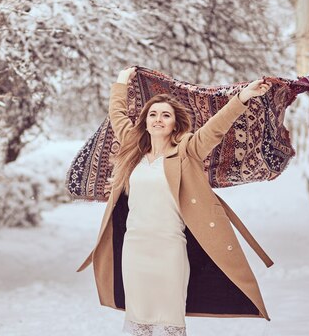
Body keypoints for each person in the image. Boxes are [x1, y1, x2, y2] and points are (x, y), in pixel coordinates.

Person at [77, 67, 274, 336]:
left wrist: (243, 97)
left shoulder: (187, 151)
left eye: (165, 115)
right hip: (134, 250)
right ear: (145, 121)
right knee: (139, 321)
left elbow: (216, 128)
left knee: (169, 320)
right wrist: (122, 82)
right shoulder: (133, 152)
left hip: (169, 249)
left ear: (174, 124)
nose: (158, 119)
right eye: (153, 114)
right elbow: (117, 115)